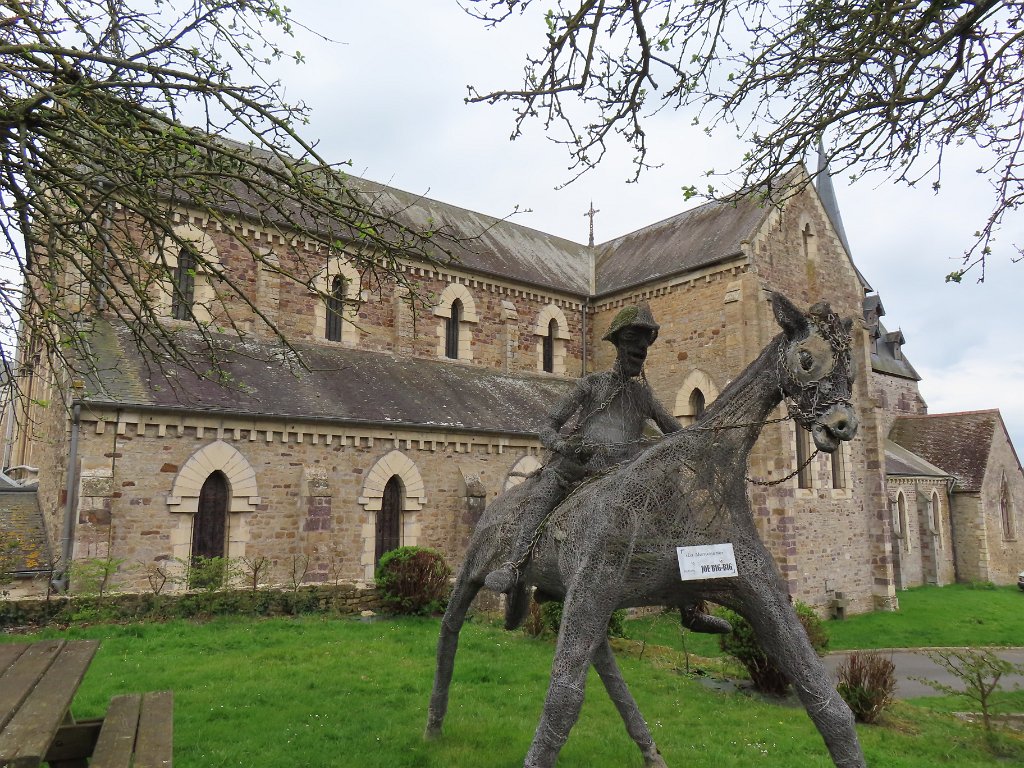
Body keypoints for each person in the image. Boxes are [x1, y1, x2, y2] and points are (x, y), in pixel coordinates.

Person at [485, 302, 678, 593]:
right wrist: (564, 447)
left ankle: (687, 598)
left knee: (670, 496)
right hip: (578, 468)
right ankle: (514, 564)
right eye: (632, 339)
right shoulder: (592, 385)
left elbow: (677, 432)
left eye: (644, 342)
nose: (640, 348)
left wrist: (711, 433)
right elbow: (547, 427)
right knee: (547, 486)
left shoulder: (644, 396)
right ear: (618, 344)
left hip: (623, 473)